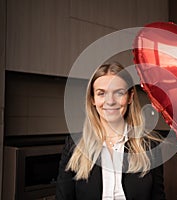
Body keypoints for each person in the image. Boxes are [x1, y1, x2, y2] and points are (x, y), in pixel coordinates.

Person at [56, 62, 166, 200]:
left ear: (130, 97)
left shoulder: (150, 145)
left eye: (119, 93)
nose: (110, 101)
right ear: (93, 100)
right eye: (101, 93)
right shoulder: (74, 145)